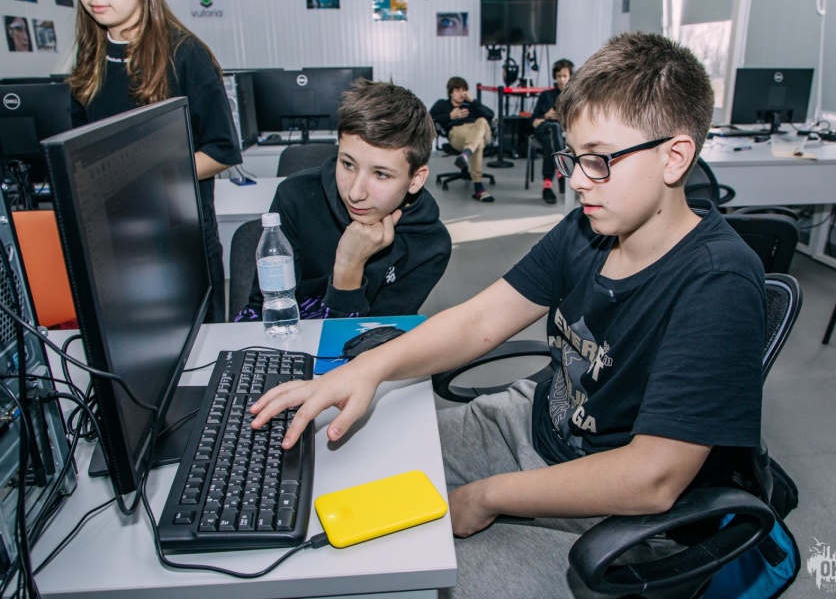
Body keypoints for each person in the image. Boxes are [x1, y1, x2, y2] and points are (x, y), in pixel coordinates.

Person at [250, 32, 765, 598]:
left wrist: (486, 496)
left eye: (598, 160)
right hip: (531, 426)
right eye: (573, 158)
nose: (576, 180)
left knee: (418, 575)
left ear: (675, 157)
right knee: (348, 466)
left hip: (618, 516)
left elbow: (652, 478)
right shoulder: (587, 231)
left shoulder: (718, 282)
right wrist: (365, 370)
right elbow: (479, 320)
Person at [68, 0, 241, 323]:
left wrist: (143, 179)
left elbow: (222, 151)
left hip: (178, 230)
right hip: (111, 236)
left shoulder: (185, 53)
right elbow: (79, 148)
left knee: (199, 338)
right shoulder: (90, 57)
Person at [235, 78, 451, 321]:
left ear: (416, 179)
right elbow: (262, 312)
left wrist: (349, 265)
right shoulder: (295, 197)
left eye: (381, 174)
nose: (355, 194)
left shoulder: (430, 245)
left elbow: (373, 336)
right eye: (348, 164)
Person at [430, 77, 495, 203]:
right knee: (478, 143)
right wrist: (450, 116)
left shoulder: (472, 104)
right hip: (457, 132)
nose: (461, 93)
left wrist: (473, 101)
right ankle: (478, 187)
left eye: (464, 90)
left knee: (482, 121)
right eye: (458, 90)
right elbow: (427, 119)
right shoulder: (442, 104)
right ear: (450, 92)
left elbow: (490, 115)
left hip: (478, 130)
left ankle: (466, 154)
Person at [532, 58, 574, 204]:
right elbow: (534, 119)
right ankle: (561, 170)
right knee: (553, 128)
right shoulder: (546, 95)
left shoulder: (574, 97)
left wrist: (562, 117)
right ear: (554, 77)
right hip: (544, 128)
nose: (561, 80)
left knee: (549, 141)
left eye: (564, 76)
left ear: (570, 76)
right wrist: (546, 116)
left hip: (561, 133)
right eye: (558, 76)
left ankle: (547, 186)